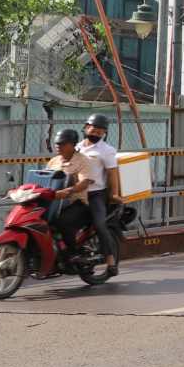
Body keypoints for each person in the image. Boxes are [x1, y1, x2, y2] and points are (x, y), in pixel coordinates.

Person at [46, 128, 115, 272]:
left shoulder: (86, 159)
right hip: (55, 202)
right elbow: (45, 179)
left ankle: (73, 255)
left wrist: (69, 190)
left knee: (65, 222)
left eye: (62, 144)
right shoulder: (54, 161)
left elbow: (85, 182)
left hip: (80, 201)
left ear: (72, 145)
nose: (58, 146)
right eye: (57, 143)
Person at [76, 113, 121, 276]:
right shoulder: (77, 147)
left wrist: (114, 194)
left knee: (100, 225)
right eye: (94, 130)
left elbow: (112, 174)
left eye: (100, 132)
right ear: (86, 128)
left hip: (96, 194)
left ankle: (110, 262)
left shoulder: (106, 150)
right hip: (76, 193)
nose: (96, 134)